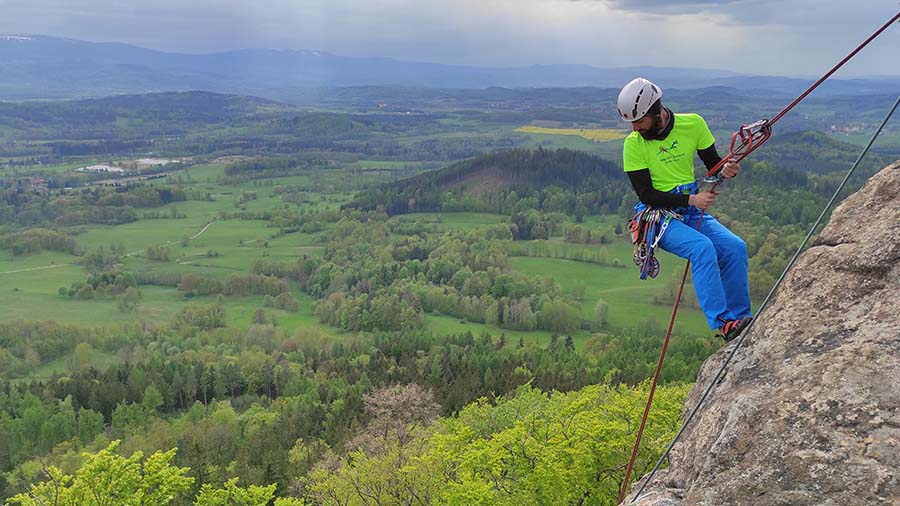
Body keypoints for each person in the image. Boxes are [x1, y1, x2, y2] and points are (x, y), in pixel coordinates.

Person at [617, 77, 752, 342]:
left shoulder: (693, 124)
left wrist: (727, 170)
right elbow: (647, 195)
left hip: (688, 212)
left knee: (735, 248)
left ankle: (741, 319)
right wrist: (691, 201)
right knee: (702, 248)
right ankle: (724, 324)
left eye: (640, 120)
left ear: (656, 112)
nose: (635, 127)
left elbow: (713, 165)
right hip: (658, 217)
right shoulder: (633, 144)